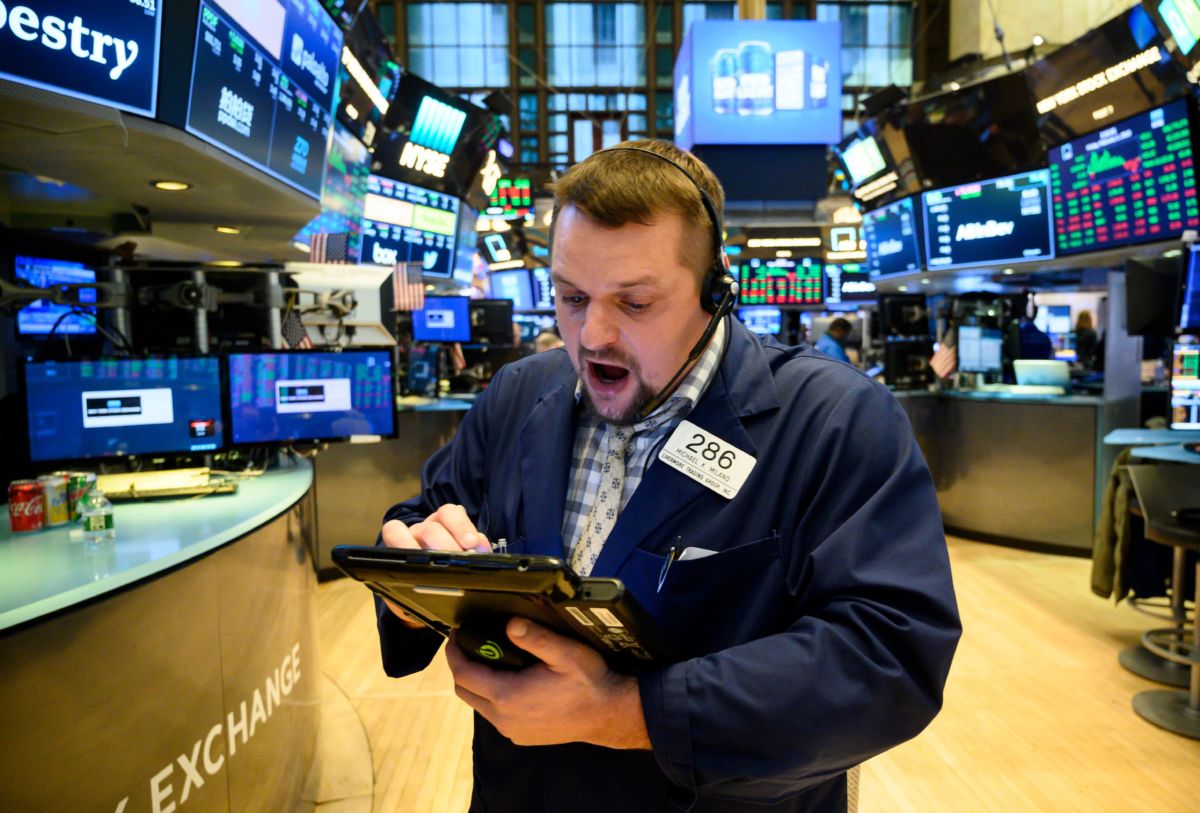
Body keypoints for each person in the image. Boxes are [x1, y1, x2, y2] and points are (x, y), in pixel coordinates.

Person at [373, 140, 960, 813]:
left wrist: (627, 712)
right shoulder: (515, 396)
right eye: (571, 296)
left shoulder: (834, 420)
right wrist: (413, 574)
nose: (593, 334)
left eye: (636, 303)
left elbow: (889, 656)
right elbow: (428, 513)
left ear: (715, 290)